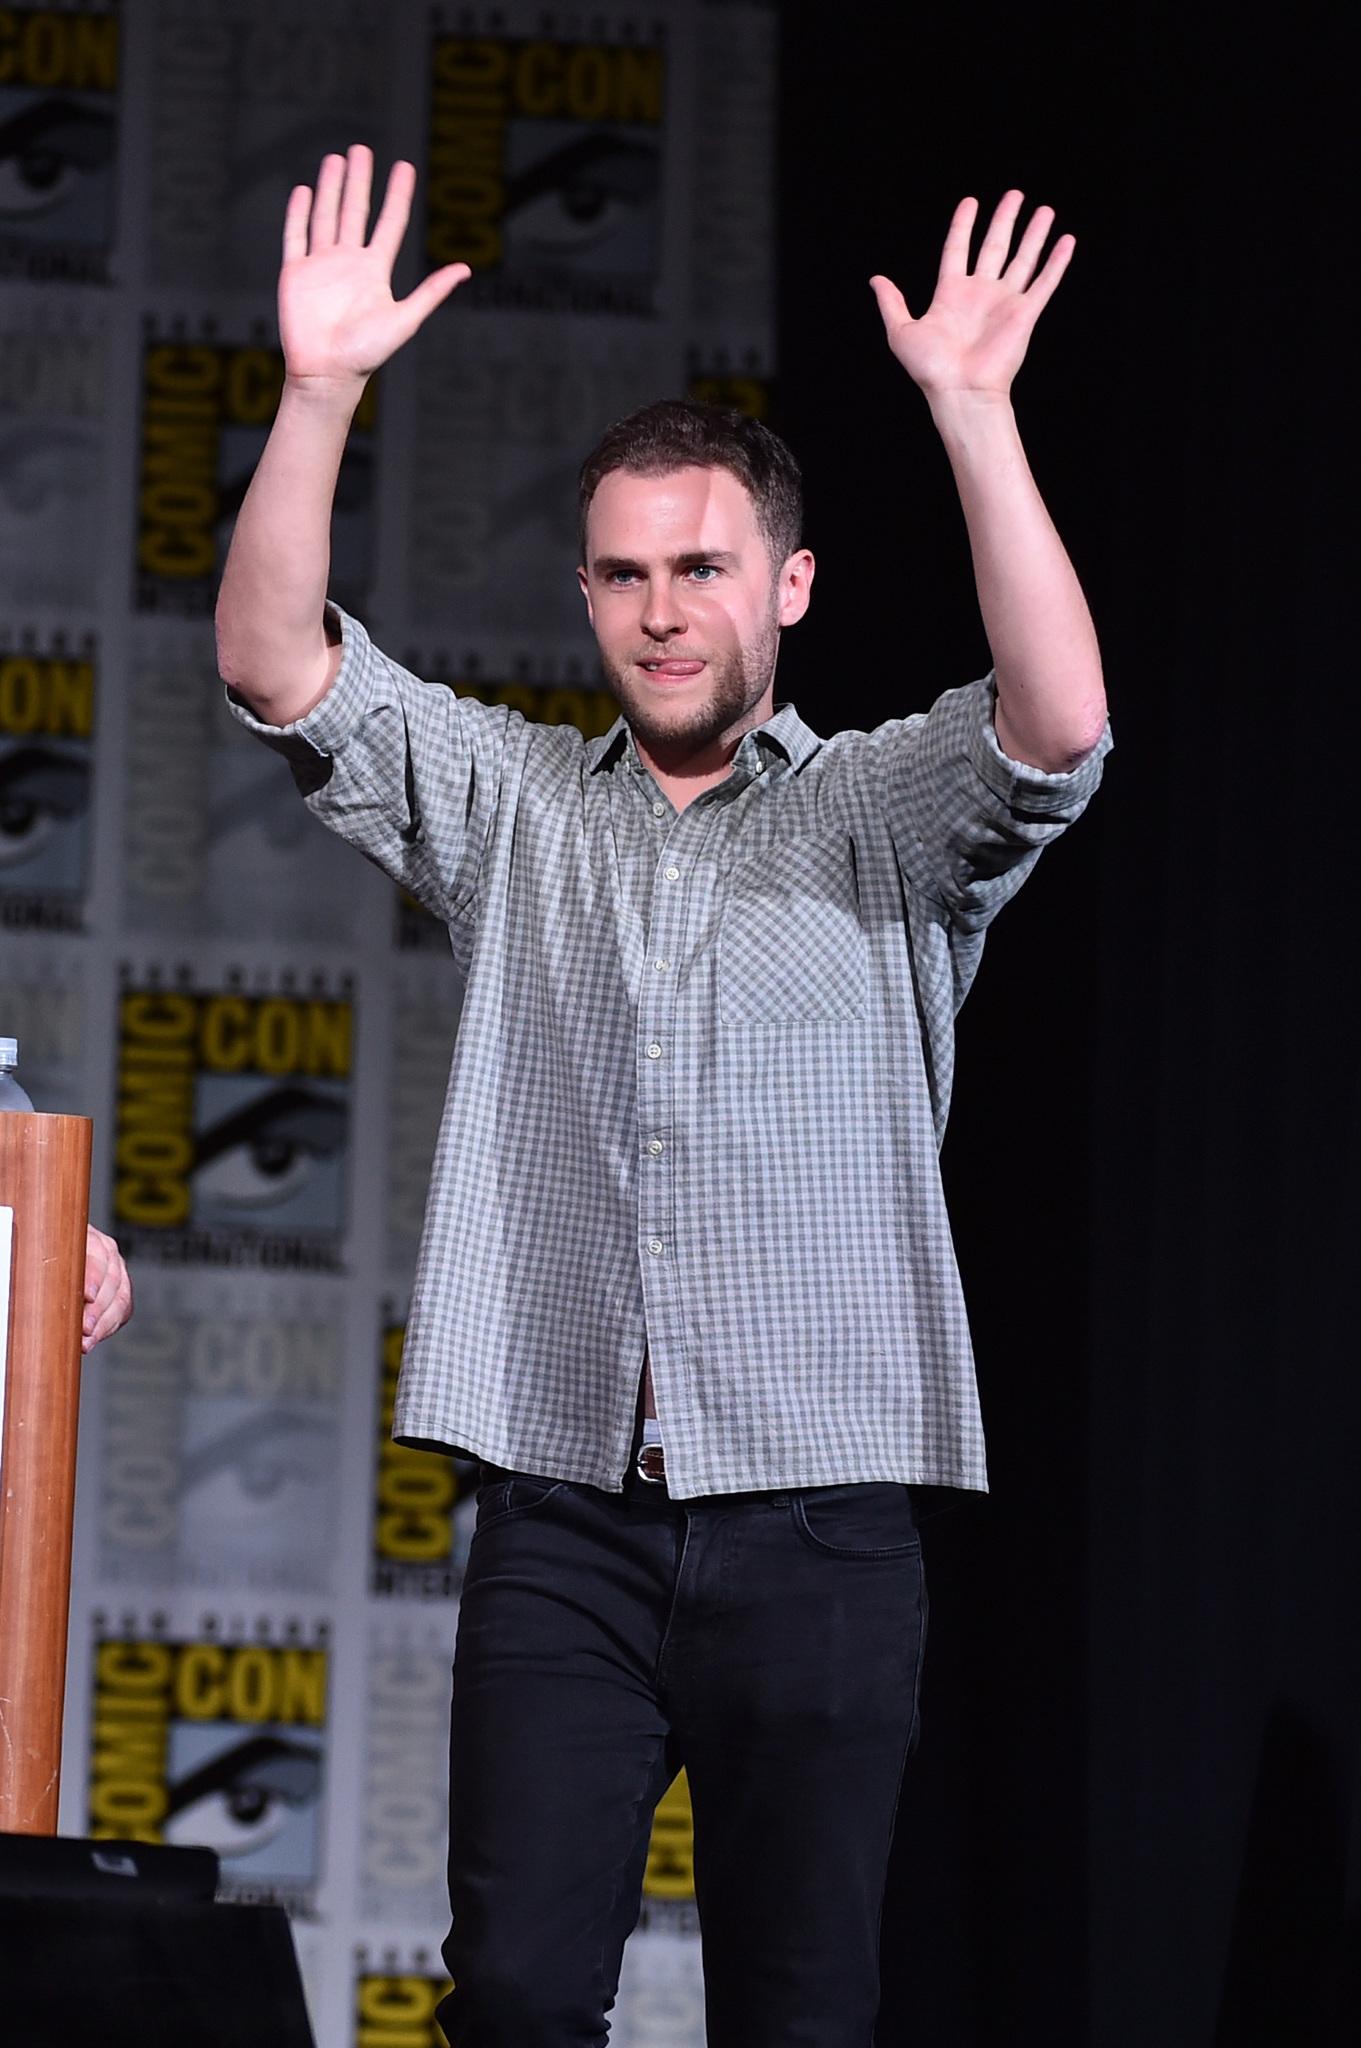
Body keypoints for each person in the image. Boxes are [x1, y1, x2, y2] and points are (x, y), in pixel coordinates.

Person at [217, 145, 1110, 2048]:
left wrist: (972, 413)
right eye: (622, 575)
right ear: (586, 594)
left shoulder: (879, 808)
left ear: (787, 581)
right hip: (566, 1520)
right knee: (516, 1999)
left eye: (699, 568)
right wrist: (316, 395)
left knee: (801, 2013)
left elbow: (1055, 726)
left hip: (820, 1524)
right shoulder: (520, 806)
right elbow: (277, 664)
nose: (659, 610)